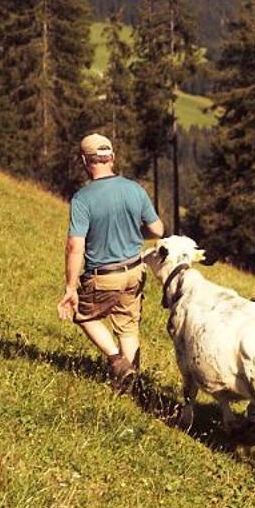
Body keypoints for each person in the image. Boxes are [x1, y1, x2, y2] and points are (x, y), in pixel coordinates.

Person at [58, 132, 163, 391]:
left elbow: (75, 246)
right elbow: (158, 230)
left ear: (85, 160)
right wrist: (137, 234)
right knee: (128, 326)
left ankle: (118, 362)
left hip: (104, 275)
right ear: (112, 158)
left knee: (83, 315)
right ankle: (132, 382)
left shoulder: (83, 198)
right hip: (134, 272)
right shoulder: (134, 189)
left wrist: (71, 288)